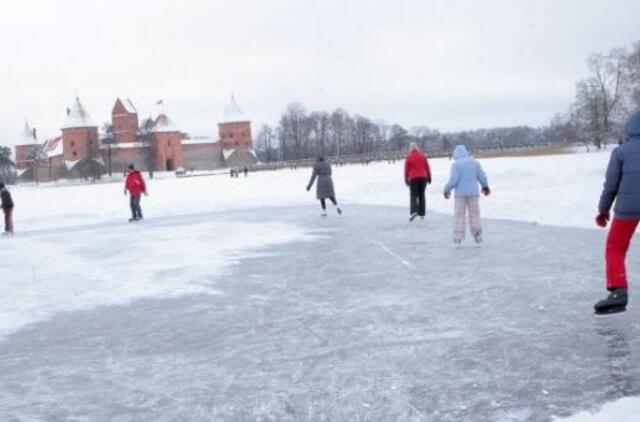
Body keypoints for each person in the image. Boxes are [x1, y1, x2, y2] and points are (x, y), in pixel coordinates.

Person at [594, 111, 640, 314]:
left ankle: (618, 292)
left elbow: (610, 185)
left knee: (615, 248)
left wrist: (603, 210)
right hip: (626, 208)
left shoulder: (620, 152)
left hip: (627, 209)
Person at [443, 145, 490, 246]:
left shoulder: (456, 165)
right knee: (474, 214)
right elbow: (482, 176)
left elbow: (453, 180)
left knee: (459, 215)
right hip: (473, 193)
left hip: (460, 195)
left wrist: (447, 189)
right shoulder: (475, 163)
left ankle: (458, 238)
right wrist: (485, 186)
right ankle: (477, 236)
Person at [404, 142, 431, 221]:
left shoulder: (408, 157)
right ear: (417, 148)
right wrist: (429, 177)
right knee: (422, 195)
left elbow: (406, 170)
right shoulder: (423, 156)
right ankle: (422, 213)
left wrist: (406, 179)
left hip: (413, 178)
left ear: (410, 148)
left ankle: (414, 211)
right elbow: (427, 167)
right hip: (423, 178)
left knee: (413, 195)